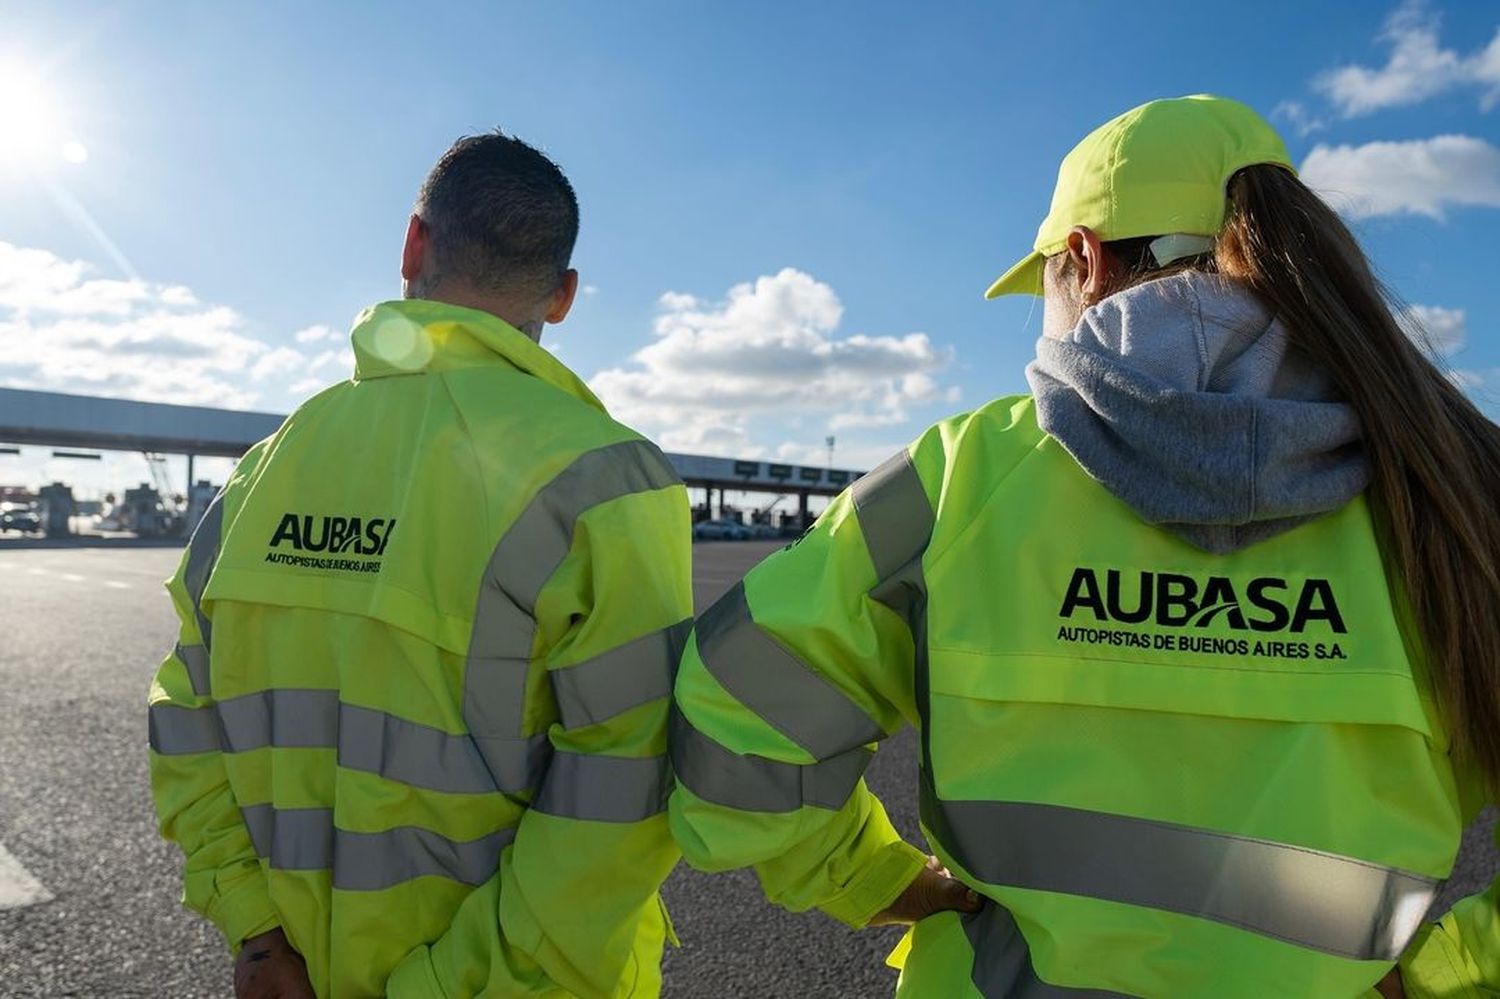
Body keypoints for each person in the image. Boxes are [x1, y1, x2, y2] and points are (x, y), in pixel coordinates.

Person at [667, 94, 1500, 996]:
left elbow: (734, 720)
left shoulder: (960, 477)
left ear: (1083, 259)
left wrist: (870, 876)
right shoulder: (1450, 488)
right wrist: (1442, 975)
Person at [149, 132, 692, 998]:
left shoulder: (264, 470)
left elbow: (184, 715)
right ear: (562, 297)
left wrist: (255, 929)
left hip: (294, 974)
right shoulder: (609, 482)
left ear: (412, 244)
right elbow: (627, 794)